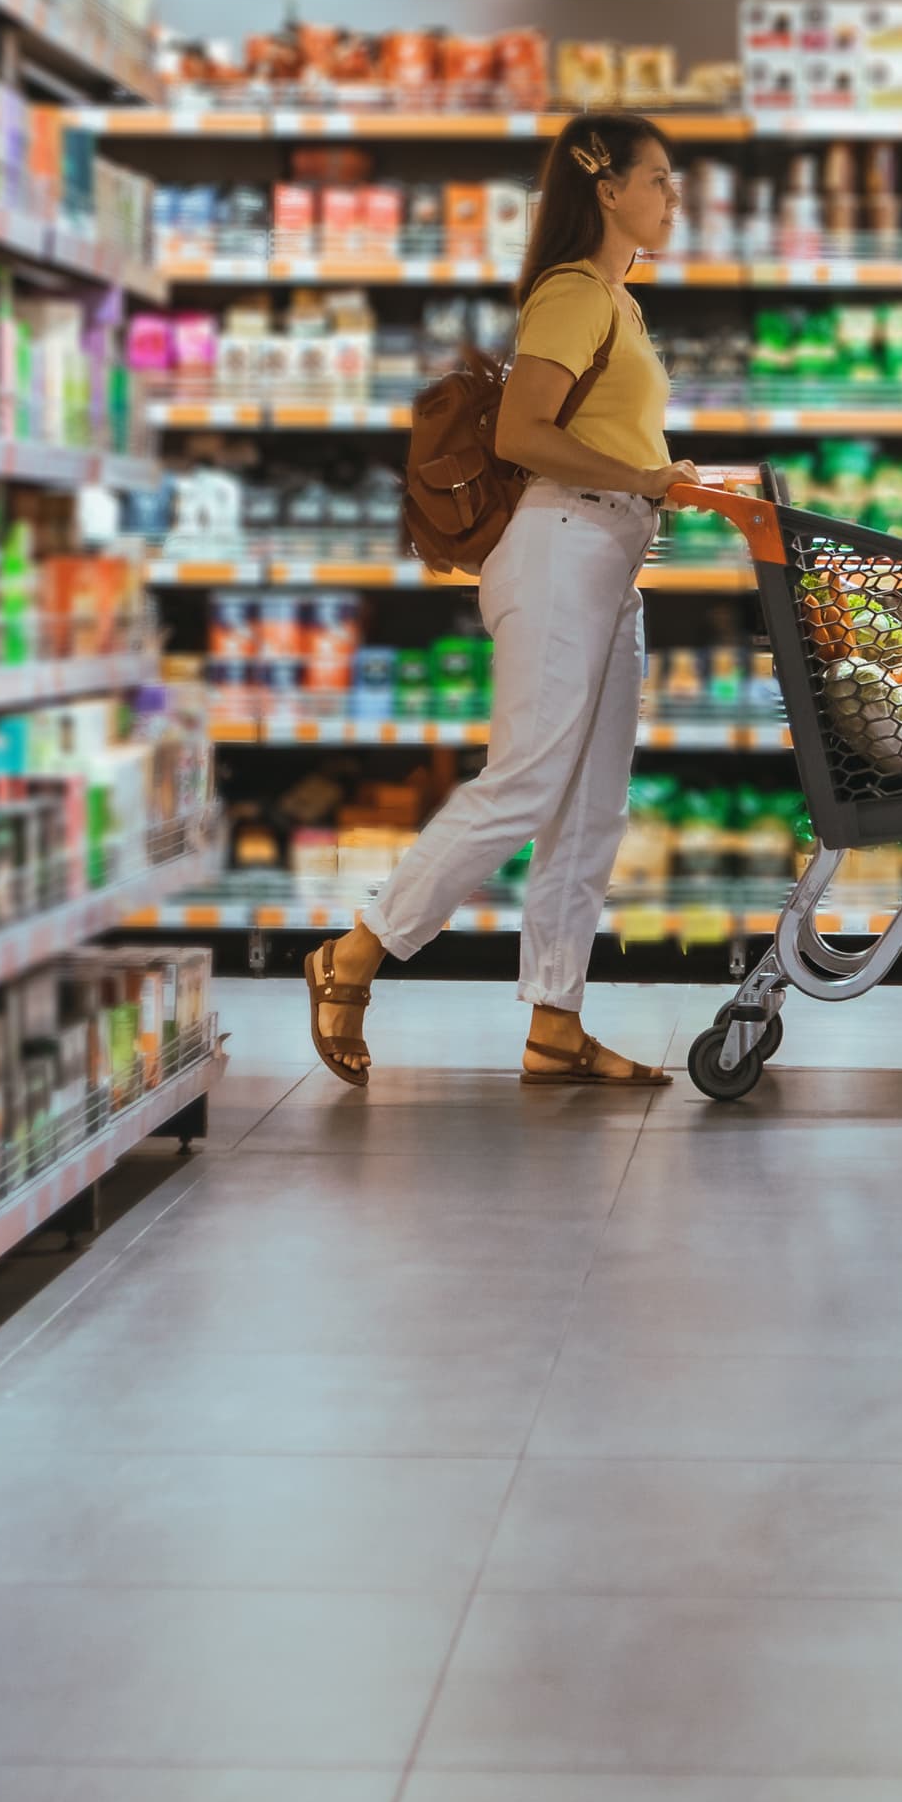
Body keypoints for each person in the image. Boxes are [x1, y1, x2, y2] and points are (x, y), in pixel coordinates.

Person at [304, 113, 705, 1088]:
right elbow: (525, 434)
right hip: (562, 546)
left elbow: (608, 437)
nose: (674, 196)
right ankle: (357, 950)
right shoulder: (573, 293)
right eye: (659, 179)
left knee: (592, 805)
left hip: (608, 555)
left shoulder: (622, 301)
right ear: (607, 189)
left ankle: (556, 1020)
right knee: (527, 780)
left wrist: (666, 479)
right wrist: (645, 477)